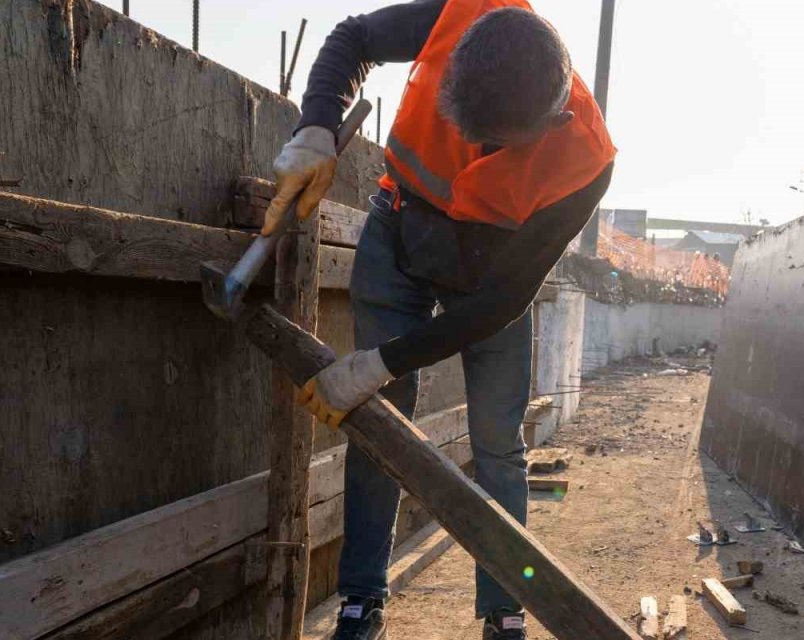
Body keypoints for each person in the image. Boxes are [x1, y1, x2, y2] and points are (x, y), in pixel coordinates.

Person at [262, 1, 615, 638]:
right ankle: (361, 601)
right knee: (378, 422)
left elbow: (499, 306)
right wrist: (316, 127)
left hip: (491, 276)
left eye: (496, 141)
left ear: (553, 121)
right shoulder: (462, 12)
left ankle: (504, 607)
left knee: (498, 444)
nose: (475, 148)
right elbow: (353, 38)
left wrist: (379, 362)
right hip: (402, 233)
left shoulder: (585, 161)